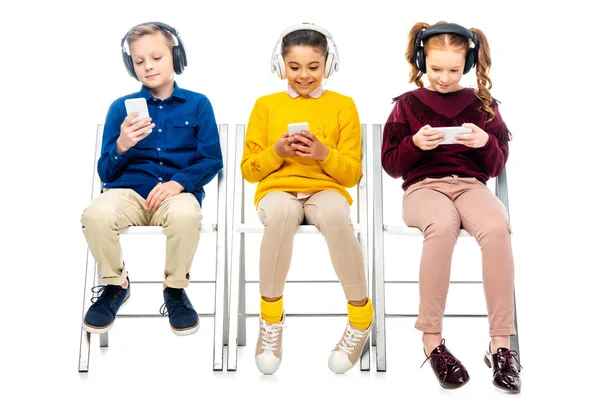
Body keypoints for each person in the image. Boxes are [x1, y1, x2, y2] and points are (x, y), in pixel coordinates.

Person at [381, 21, 521, 393]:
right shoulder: (407, 105)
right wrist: (415, 144)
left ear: (469, 65)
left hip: (471, 186)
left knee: (495, 228)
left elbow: (494, 167)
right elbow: (392, 165)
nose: (444, 78)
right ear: (422, 61)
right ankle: (432, 341)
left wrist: (484, 142)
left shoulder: (482, 105)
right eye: (435, 69)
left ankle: (501, 345)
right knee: (441, 226)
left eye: (454, 70)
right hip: (423, 189)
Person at [240, 23, 373, 375]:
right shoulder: (265, 106)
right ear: (280, 65)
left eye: (313, 67)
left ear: (328, 65)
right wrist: (277, 151)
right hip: (276, 190)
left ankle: (361, 318)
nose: (304, 75)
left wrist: (323, 153)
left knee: (333, 215)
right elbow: (250, 170)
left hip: (325, 188)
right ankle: (270, 321)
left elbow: (352, 175)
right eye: (295, 67)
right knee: (281, 214)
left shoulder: (343, 106)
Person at [81, 22, 223, 337]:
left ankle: (174, 290)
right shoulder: (120, 108)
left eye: (156, 57)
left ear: (176, 57)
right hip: (126, 194)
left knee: (187, 215)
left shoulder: (198, 104)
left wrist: (178, 183)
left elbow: (212, 159)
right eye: (139, 61)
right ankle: (116, 285)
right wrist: (122, 145)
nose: (148, 66)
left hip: (175, 194)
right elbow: (105, 172)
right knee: (95, 214)